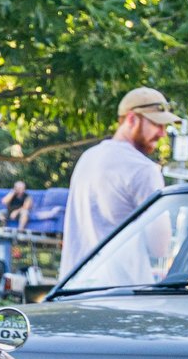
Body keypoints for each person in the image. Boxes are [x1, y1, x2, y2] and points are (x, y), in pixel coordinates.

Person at [60, 87, 175, 277]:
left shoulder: (87, 158)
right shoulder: (142, 169)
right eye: (156, 124)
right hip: (119, 294)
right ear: (132, 119)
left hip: (75, 289)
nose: (162, 133)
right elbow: (160, 246)